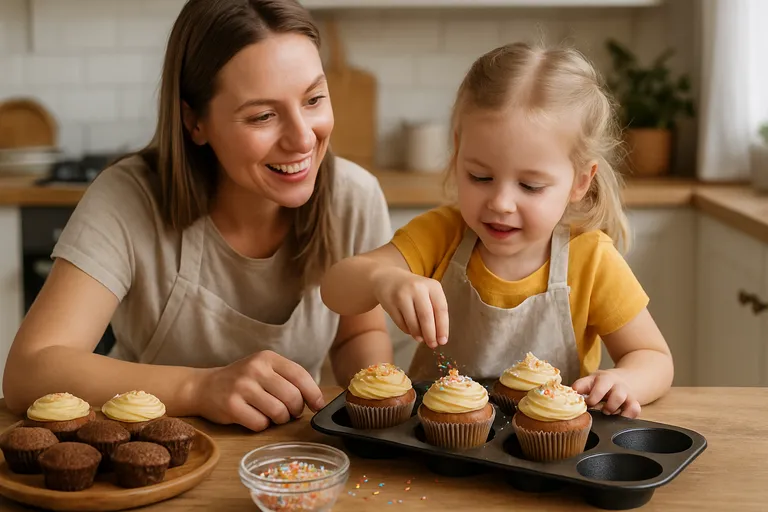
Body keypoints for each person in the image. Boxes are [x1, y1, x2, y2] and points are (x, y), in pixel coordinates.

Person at [3, 0, 394, 432]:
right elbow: (28, 372)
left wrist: (377, 407)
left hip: (290, 460)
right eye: (263, 115)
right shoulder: (128, 198)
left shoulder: (354, 197)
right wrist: (199, 389)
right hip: (141, 461)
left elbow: (357, 335)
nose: (303, 138)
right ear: (195, 121)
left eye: (314, 99)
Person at [320, 42, 674, 418]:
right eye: (481, 176)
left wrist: (624, 381)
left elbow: (653, 357)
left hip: (547, 459)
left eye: (531, 186)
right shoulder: (440, 235)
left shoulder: (591, 260)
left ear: (580, 181)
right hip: (438, 450)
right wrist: (380, 279)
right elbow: (335, 289)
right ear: (458, 153)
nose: (501, 202)